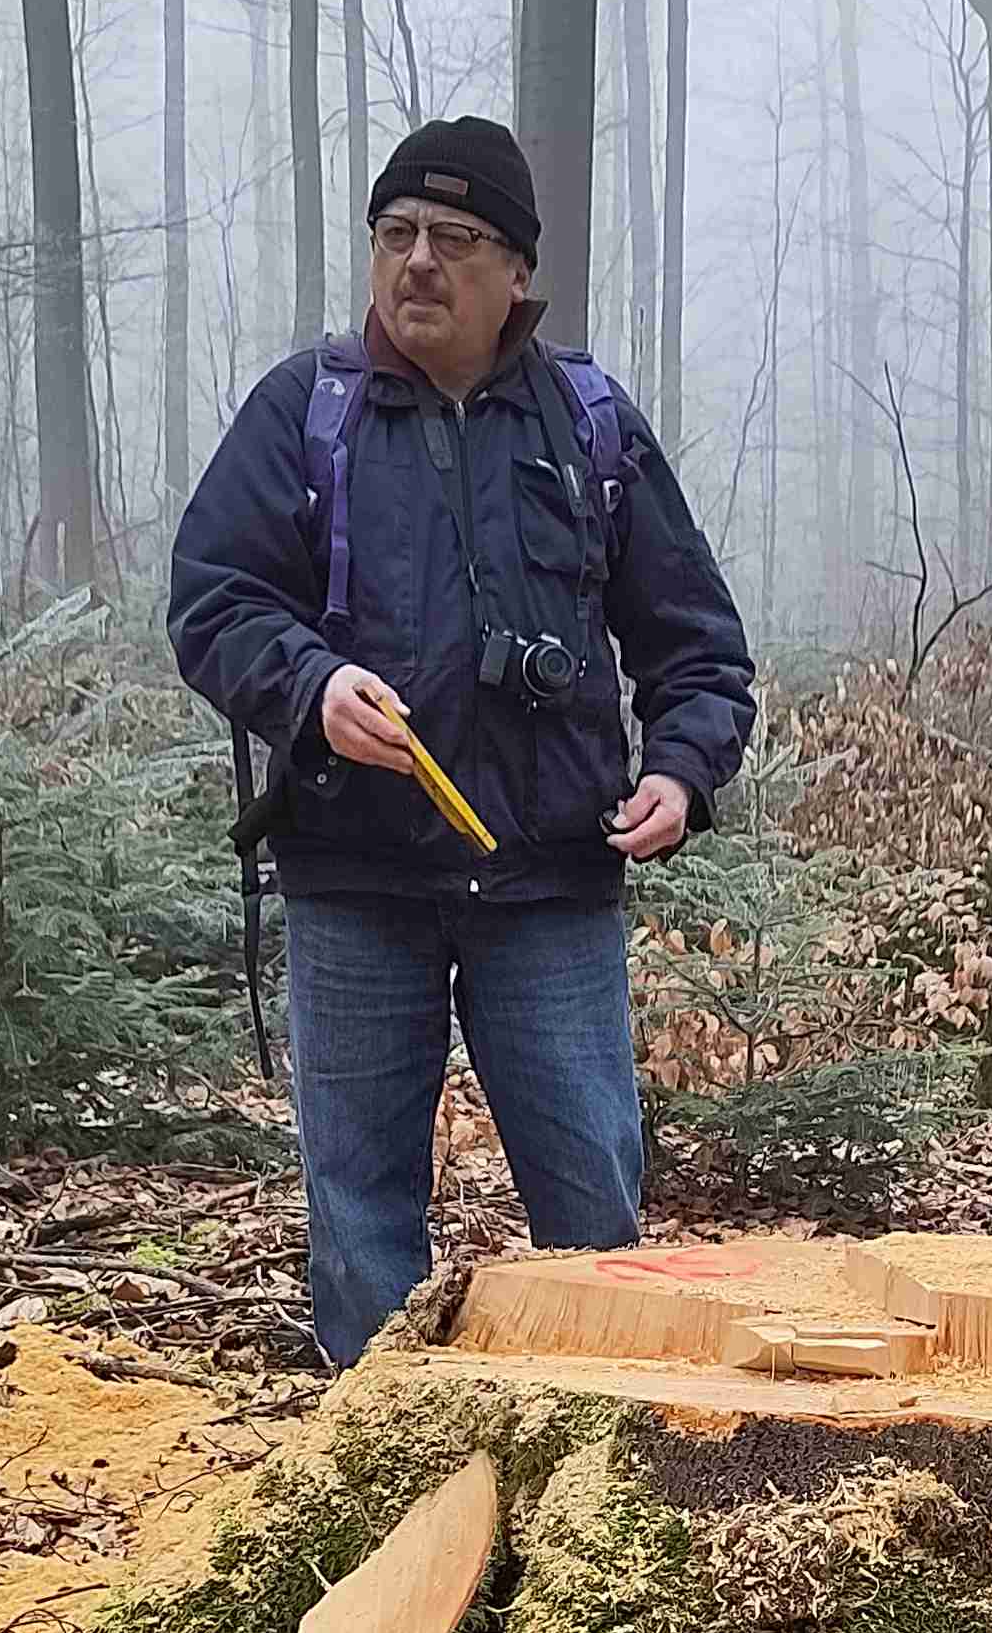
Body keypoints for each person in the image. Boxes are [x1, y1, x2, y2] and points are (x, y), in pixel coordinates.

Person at [169, 114, 758, 1365]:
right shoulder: (306, 413)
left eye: (455, 237)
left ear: (517, 272)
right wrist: (313, 685)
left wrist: (681, 770)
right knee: (360, 1220)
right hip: (356, 876)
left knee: (594, 1216)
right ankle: (381, 1451)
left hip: (550, 883)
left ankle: (598, 1443)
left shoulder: (590, 425)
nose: (419, 261)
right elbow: (213, 601)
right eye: (396, 233)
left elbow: (697, 644)